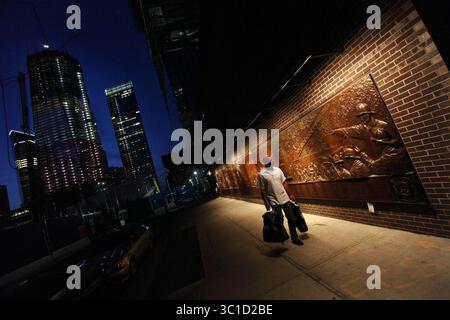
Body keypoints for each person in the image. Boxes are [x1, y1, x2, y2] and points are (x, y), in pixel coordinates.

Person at [256, 156, 304, 246]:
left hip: (284, 198)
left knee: (291, 218)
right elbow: (262, 190)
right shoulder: (261, 174)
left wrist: (290, 194)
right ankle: (282, 235)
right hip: (273, 200)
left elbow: (284, 183)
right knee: (279, 219)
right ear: (264, 162)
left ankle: (294, 237)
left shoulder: (278, 170)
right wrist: (266, 203)